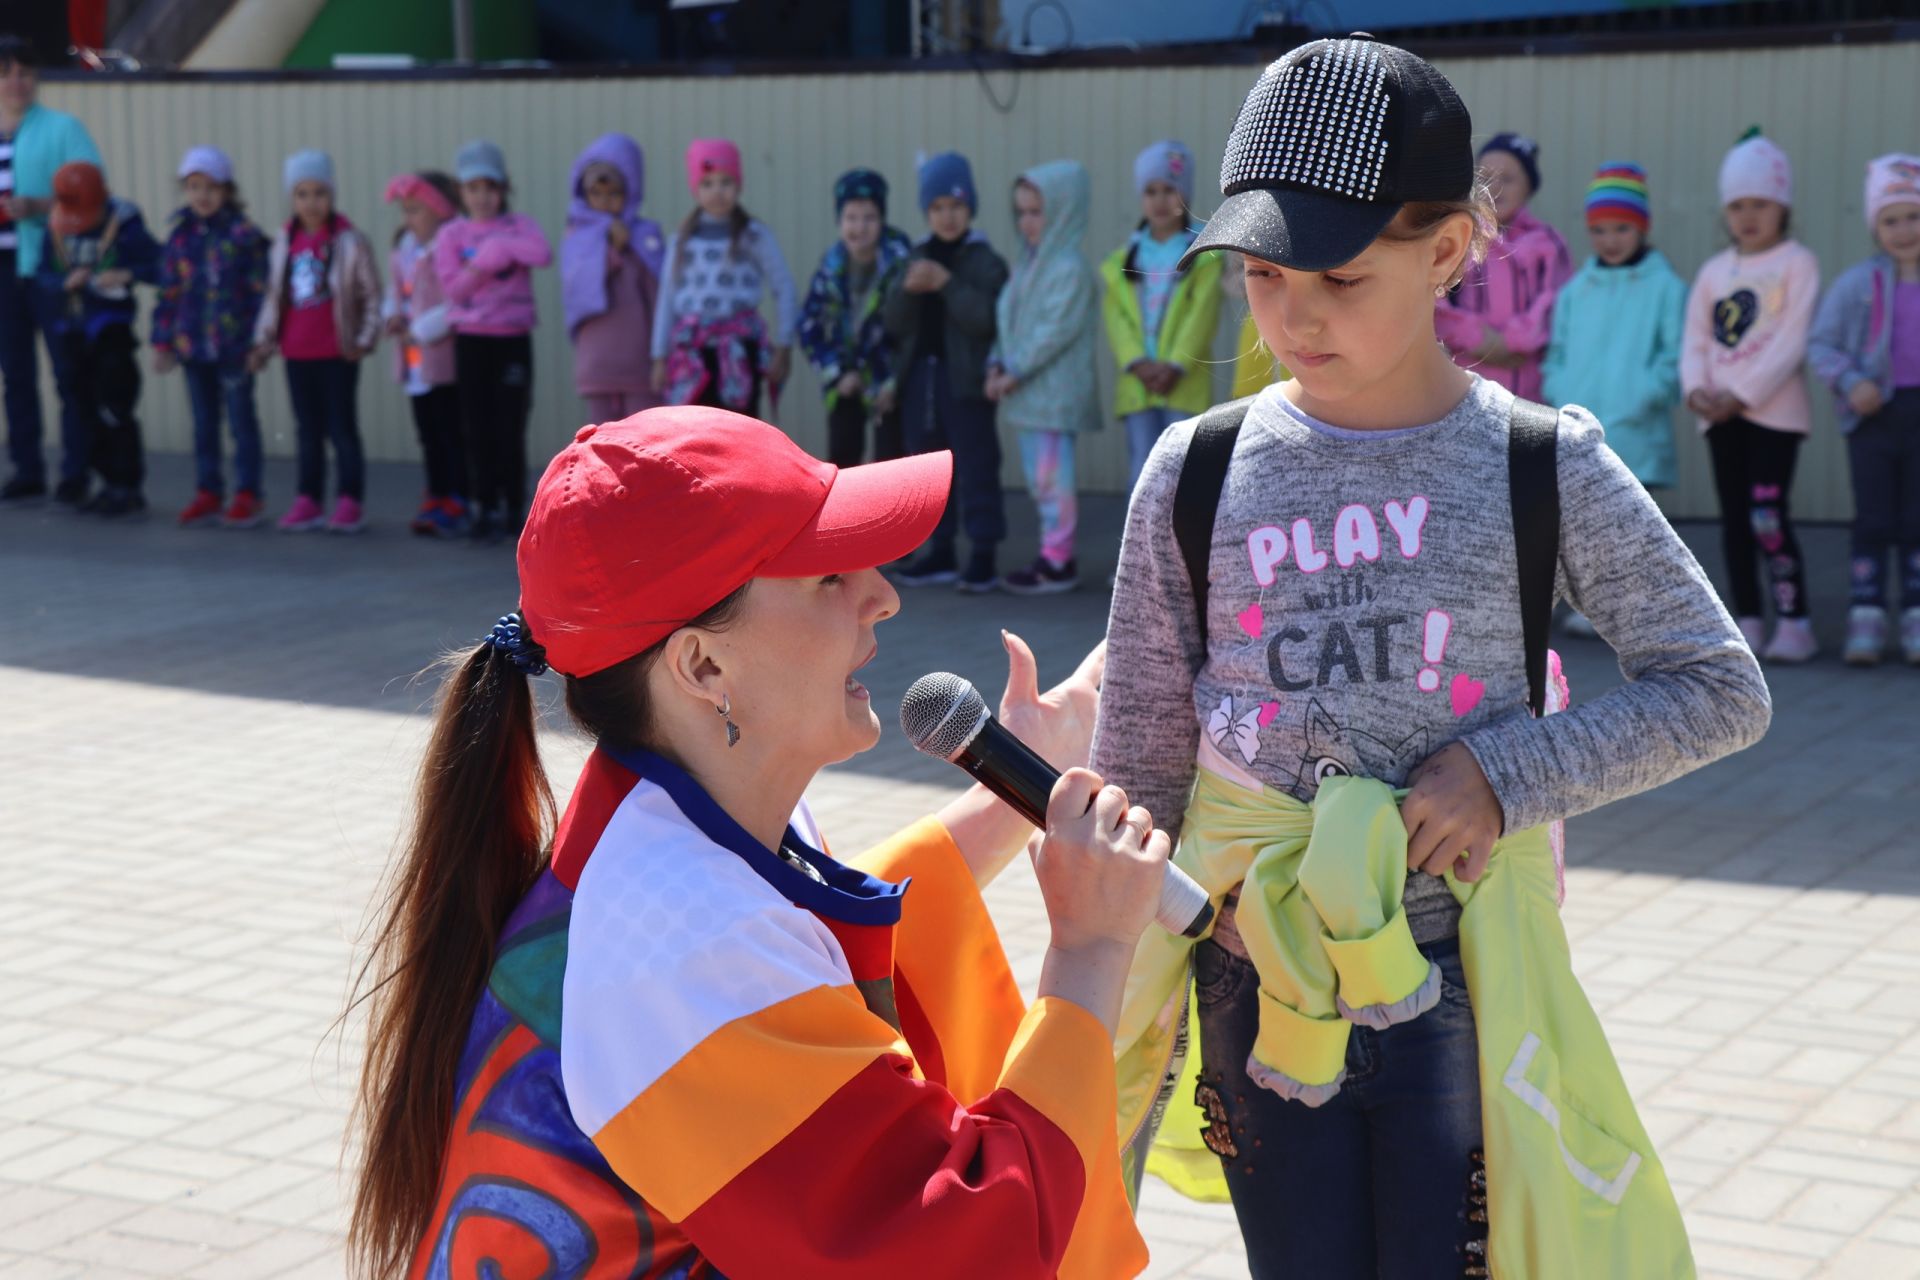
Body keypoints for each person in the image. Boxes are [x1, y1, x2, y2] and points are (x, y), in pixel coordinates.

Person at [1094, 36, 1770, 1279]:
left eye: (1342, 277)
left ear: (1450, 249)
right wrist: (1194, 917)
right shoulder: (1188, 474)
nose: (1293, 315)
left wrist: (1507, 775)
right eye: (1259, 273)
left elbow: (1719, 686)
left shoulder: (1539, 461)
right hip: (1256, 988)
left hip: (1463, 984)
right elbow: (1139, 771)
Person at [345, 405, 1161, 1280]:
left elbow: (810, 941)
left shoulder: (666, 814)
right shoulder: (686, 945)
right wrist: (1091, 948)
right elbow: (963, 1248)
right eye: (823, 578)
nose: (881, 592)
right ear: (702, 668)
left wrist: (1021, 792)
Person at [1681, 128, 1821, 662]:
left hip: (1773, 416)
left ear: (1782, 206)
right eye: (1737, 205)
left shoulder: (1797, 263)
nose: (1748, 215)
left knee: (1768, 516)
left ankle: (1795, 619)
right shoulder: (1715, 271)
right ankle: (1748, 619)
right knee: (1735, 522)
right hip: (1720, 418)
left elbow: (1791, 342)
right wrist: (1697, 390)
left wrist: (1740, 393)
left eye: (1760, 203)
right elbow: (1695, 338)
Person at [1541, 162, 1687, 637]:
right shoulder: (1576, 291)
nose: (1610, 239)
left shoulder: (1666, 288)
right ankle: (1591, 608)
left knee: (1630, 531)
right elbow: (1557, 352)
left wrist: (1646, 395)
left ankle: (1638, 612)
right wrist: (1560, 393)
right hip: (1582, 432)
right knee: (1584, 529)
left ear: (1642, 226)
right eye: (1600, 229)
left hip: (1637, 432)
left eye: (1622, 228)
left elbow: (1673, 357)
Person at [1811, 153, 1920, 667]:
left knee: (1916, 516)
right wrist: (1852, 382)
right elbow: (1822, 344)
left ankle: (1916, 615)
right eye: (1891, 219)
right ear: (1876, 227)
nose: (1903, 230)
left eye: (1913, 216)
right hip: (1875, 416)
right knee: (1875, 516)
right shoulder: (1858, 285)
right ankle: (1867, 613)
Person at [884, 151, 1011, 592]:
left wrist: (946, 284)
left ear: (970, 208)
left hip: (968, 382)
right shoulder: (915, 255)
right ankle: (938, 551)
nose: (947, 216)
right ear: (926, 212)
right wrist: (906, 290)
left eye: (956, 206)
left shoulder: (984, 260)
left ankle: (982, 554)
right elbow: (893, 323)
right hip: (923, 379)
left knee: (976, 465)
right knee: (927, 468)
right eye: (937, 207)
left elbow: (989, 319)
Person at [251, 148, 381, 534]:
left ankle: (349, 500)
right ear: (292, 198)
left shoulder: (349, 240)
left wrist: (364, 337)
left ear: (332, 195)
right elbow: (274, 296)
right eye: (302, 194)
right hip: (297, 352)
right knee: (307, 430)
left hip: (337, 353)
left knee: (342, 428)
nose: (311, 202)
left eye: (319, 193)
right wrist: (263, 342)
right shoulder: (284, 240)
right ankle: (307, 499)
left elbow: (371, 293)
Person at [988, 161, 1102, 595]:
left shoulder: (1068, 269)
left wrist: (1012, 370)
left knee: (1053, 480)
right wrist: (996, 363)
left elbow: (1051, 332)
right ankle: (1052, 553)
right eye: (1021, 212)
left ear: (1063, 213)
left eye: (1037, 212)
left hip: (1051, 398)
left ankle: (1057, 561)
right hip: (1029, 394)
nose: (1027, 222)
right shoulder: (1029, 264)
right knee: (1041, 480)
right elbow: (1010, 322)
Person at [0, 33, 103, 506]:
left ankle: (76, 472)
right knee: (16, 374)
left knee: (68, 371)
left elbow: (94, 194)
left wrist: (41, 204)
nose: (16, 82)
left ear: (37, 77)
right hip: (4, 272)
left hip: (53, 265)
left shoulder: (63, 129)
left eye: (24, 72)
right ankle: (27, 470)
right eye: (6, 72)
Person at [434, 139, 553, 544]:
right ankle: (483, 505)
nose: (482, 197)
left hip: (512, 341)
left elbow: (541, 253)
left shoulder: (519, 227)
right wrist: (485, 262)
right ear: (460, 192)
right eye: (473, 188)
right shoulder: (451, 234)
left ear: (503, 189)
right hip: (471, 342)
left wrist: (502, 245)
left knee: (511, 425)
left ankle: (513, 507)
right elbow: (453, 290)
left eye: (490, 187)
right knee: (477, 426)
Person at [35, 160, 160, 516]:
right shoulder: (54, 225)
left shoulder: (124, 222)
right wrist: (63, 282)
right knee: (82, 406)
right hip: (71, 328)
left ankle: (126, 485)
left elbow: (161, 264)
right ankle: (97, 480)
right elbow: (44, 275)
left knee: (115, 406)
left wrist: (126, 273)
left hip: (111, 328)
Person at [156, 146, 270, 529]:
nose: (202, 196)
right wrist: (163, 341)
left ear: (227, 190)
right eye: (194, 186)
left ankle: (248, 492)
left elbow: (260, 293)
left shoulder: (244, 235)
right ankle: (208, 489)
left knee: (241, 420)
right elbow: (169, 292)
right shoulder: (180, 237)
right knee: (204, 422)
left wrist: (259, 342)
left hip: (234, 347)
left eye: (211, 187)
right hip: (193, 346)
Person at [1103, 141, 1223, 490]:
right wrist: (1137, 362)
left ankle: (1181, 544)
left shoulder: (1203, 254)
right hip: (1137, 383)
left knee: (1183, 470)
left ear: (1184, 194)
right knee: (1142, 468)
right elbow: (1117, 318)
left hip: (1182, 382)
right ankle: (1140, 543)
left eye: (1169, 190)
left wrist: (1173, 365)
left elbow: (1200, 316)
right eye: (1151, 191)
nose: (1160, 200)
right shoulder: (1123, 258)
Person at [649, 138, 798, 416]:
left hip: (741, 350)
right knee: (696, 432)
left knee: (739, 430)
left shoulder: (754, 235)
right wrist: (659, 355)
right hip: (693, 354)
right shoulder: (682, 239)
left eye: (726, 182)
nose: (717, 191)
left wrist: (784, 344)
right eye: (707, 183)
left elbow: (784, 287)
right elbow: (667, 297)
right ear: (696, 189)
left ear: (739, 185)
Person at [1434, 131, 1572, 401]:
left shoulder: (1548, 243)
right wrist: (1477, 338)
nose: (1495, 188)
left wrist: (1512, 341)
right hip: (1466, 388)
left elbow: (1556, 303)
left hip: (1530, 392)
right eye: (1486, 178)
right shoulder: (1459, 237)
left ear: (1528, 187)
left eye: (1508, 179)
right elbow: (1433, 298)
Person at [798, 167, 912, 467]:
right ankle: (847, 516)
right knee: (843, 460)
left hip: (889, 385)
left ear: (882, 220)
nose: (859, 227)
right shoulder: (831, 266)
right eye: (851, 218)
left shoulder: (901, 262)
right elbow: (809, 327)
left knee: (892, 466)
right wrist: (835, 373)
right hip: (845, 381)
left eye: (869, 218)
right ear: (839, 221)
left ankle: (892, 516)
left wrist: (894, 381)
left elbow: (915, 329)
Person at [382, 170, 465, 538]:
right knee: (428, 432)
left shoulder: (449, 249)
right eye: (405, 210)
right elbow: (395, 293)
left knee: (451, 431)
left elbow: (456, 303)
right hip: (415, 365)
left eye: (415, 209)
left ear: (439, 211)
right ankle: (436, 492)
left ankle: (458, 495)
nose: (408, 218)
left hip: (441, 360)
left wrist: (419, 329)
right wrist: (392, 316)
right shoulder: (403, 251)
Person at [562, 132, 665, 424]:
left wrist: (664, 352)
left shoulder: (645, 236)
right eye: (597, 193)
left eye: (614, 193)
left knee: (644, 436)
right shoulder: (577, 237)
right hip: (597, 361)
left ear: (630, 190)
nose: (605, 202)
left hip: (640, 363)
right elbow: (575, 288)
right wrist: (609, 253)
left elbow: (661, 295)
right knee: (600, 441)